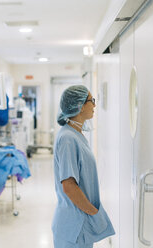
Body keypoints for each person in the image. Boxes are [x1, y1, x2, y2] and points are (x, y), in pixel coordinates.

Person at [52, 85, 115, 248]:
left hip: (80, 222)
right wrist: (94, 213)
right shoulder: (68, 138)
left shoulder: (76, 134)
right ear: (79, 106)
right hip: (73, 226)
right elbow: (69, 186)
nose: (94, 105)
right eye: (91, 101)